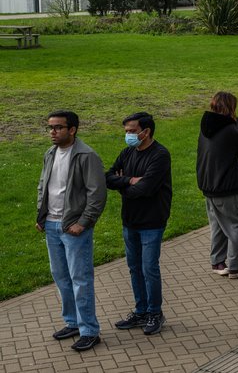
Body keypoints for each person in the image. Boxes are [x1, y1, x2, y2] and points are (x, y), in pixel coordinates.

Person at [37, 110, 107, 352]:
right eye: (50, 128)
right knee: (61, 277)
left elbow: (97, 194)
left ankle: (90, 331)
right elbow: (43, 186)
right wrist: (41, 214)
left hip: (73, 228)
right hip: (52, 226)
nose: (52, 132)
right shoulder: (50, 153)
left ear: (72, 129)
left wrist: (83, 222)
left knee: (80, 279)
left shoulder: (87, 156)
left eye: (58, 127)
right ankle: (73, 323)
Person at [105, 112, 172, 336]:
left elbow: (147, 188)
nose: (128, 135)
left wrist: (122, 185)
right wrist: (129, 181)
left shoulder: (160, 155)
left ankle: (155, 312)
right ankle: (141, 310)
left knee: (149, 268)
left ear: (146, 132)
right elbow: (107, 177)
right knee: (134, 268)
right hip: (130, 220)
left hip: (152, 221)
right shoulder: (127, 152)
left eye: (132, 131)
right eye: (126, 131)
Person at [196, 91, 238, 279]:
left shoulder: (205, 127)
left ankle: (218, 261)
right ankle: (236, 266)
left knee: (218, 224)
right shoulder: (230, 128)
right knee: (237, 225)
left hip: (208, 185)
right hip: (226, 185)